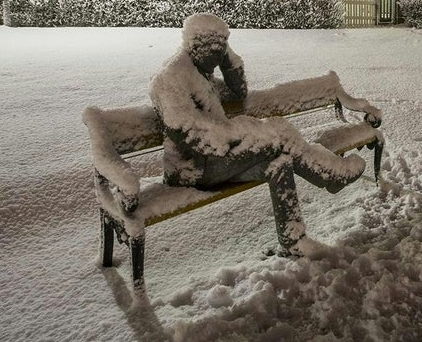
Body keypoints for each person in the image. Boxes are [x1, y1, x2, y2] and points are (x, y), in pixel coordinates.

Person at [149, 13, 377, 256]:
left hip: (218, 157)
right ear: (196, 46)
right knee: (278, 134)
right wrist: (245, 139)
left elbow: (239, 91)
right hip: (196, 169)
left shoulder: (199, 69)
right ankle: (330, 174)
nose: (217, 60)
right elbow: (196, 137)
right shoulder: (171, 79)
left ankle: (294, 241)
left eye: (221, 52)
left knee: (279, 163)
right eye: (214, 53)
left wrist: (229, 59)